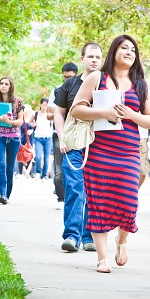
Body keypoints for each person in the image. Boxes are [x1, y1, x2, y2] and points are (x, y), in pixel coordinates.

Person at [71, 35, 150, 273]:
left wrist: (131, 114)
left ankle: (122, 240)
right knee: (99, 202)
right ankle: (102, 258)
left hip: (128, 151)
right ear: (114, 51)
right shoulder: (97, 77)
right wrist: (103, 113)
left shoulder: (140, 84)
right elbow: (77, 109)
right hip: (99, 151)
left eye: (133, 49)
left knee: (129, 202)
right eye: (124, 48)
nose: (129, 52)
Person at [54, 43, 103, 253]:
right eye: (90, 56)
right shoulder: (69, 85)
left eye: (98, 57)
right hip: (74, 143)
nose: (94, 60)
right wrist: (62, 137)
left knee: (94, 191)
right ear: (82, 59)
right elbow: (59, 112)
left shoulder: (107, 83)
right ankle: (71, 236)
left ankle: (89, 236)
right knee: (74, 188)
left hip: (99, 146)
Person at [0, 76, 24, 205]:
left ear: (10, 86)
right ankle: (2, 193)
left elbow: (20, 121)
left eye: (6, 84)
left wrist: (10, 122)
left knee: (9, 167)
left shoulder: (18, 101)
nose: (3, 86)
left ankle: (7, 195)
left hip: (13, 138)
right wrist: (0, 119)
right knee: (1, 164)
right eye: (1, 83)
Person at [48, 63, 79, 210]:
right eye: (65, 77)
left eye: (70, 77)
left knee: (75, 170)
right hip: (58, 134)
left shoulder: (81, 89)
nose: (67, 79)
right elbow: (49, 114)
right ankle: (61, 197)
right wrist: (58, 112)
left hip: (78, 134)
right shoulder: (57, 90)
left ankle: (72, 198)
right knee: (59, 170)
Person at [34, 97, 53, 182]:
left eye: (46, 105)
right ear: (40, 105)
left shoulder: (49, 115)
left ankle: (44, 175)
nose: (45, 107)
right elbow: (30, 122)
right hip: (38, 138)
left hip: (48, 138)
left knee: (46, 158)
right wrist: (33, 124)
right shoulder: (36, 114)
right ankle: (38, 172)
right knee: (38, 156)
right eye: (44, 105)